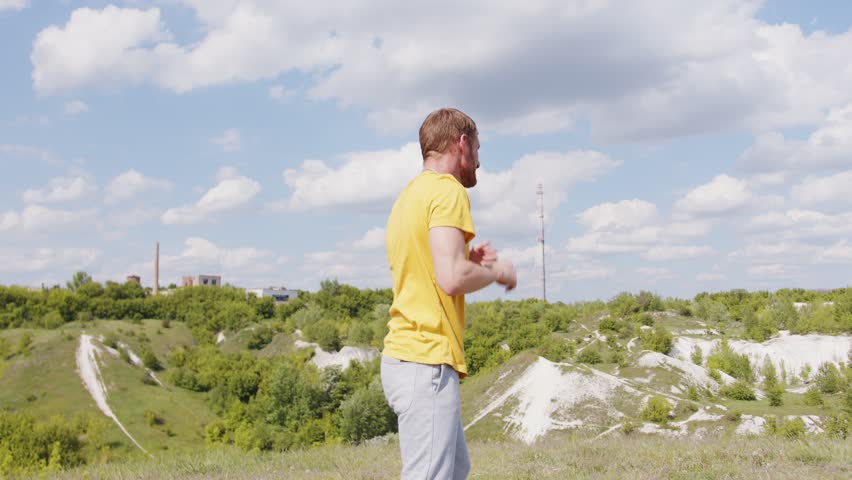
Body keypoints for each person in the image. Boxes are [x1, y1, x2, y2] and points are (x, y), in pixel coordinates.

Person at [381, 107, 517, 479]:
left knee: (455, 469)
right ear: (462, 143)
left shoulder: (410, 196)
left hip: (408, 358)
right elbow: (453, 279)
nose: (479, 160)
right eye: (477, 148)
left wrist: (466, 258)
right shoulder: (448, 191)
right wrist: (495, 271)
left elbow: (433, 266)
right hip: (425, 360)